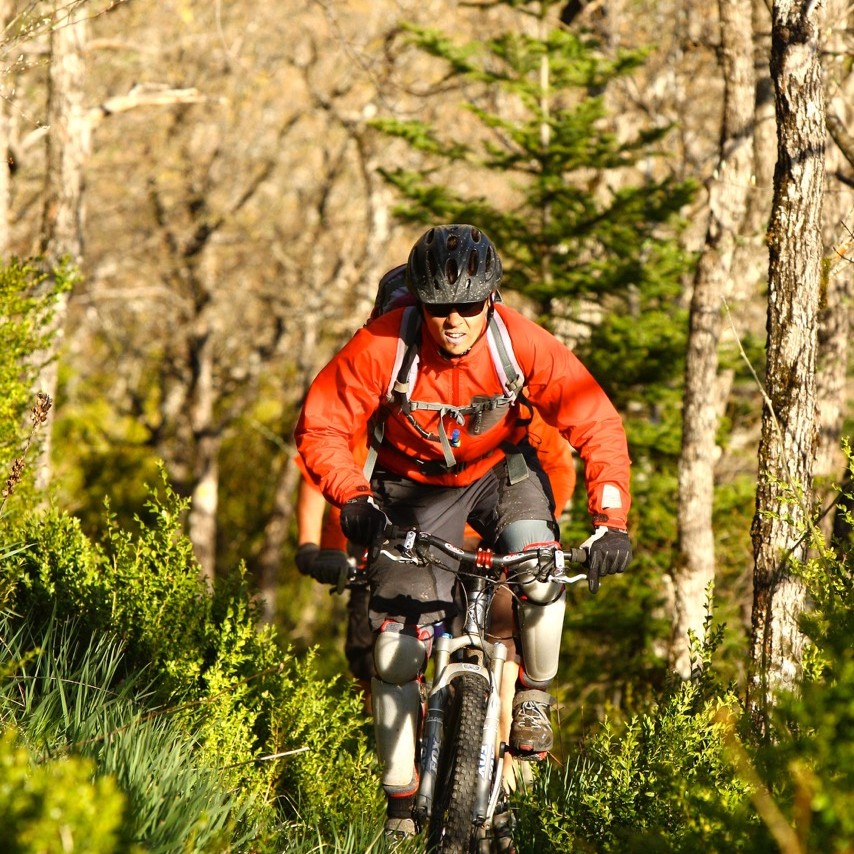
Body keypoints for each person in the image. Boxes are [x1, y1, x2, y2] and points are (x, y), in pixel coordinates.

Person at [295, 224, 632, 839]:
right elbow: (320, 426)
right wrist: (354, 496)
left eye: (469, 306)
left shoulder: (520, 343)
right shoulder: (381, 345)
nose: (453, 320)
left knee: (541, 577)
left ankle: (535, 692)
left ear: (491, 300)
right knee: (395, 655)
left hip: (501, 475)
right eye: (438, 307)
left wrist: (610, 520)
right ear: (419, 302)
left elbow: (597, 423)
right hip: (409, 485)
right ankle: (400, 809)